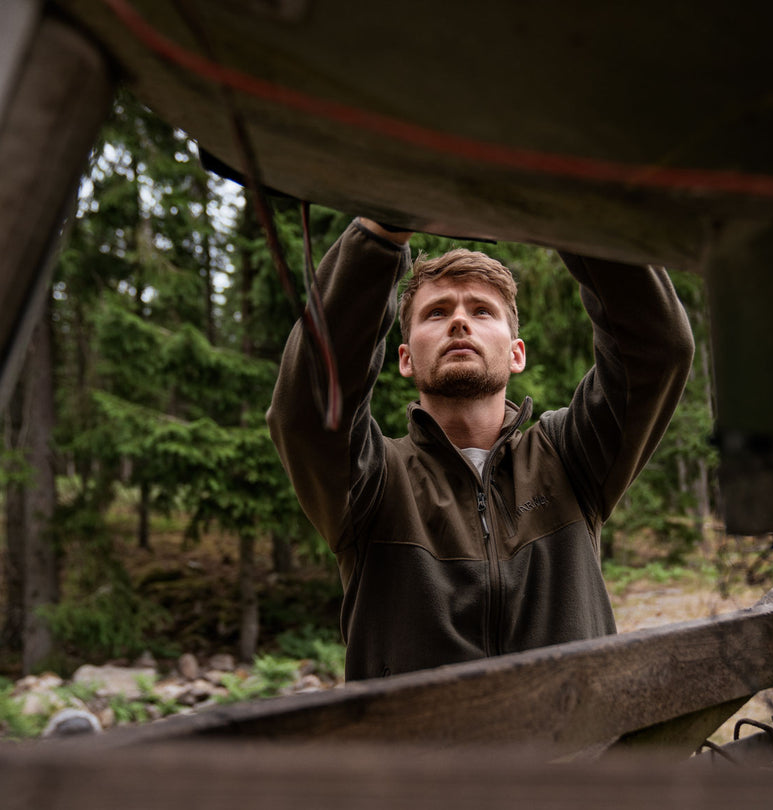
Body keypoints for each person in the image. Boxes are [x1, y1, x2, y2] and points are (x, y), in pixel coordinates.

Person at [267, 217, 693, 680]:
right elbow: (306, 413)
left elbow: (657, 350)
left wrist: (574, 215)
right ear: (405, 359)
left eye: (482, 311)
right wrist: (380, 236)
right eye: (436, 312)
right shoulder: (374, 481)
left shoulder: (570, 459)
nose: (459, 322)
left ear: (516, 353)